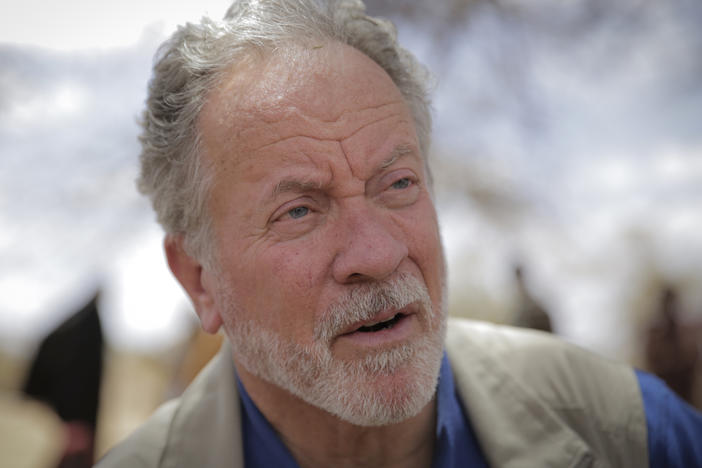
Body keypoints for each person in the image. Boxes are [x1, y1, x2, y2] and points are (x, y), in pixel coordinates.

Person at [97, 0, 702, 466]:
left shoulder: (633, 431)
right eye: (299, 212)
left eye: (398, 184)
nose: (379, 254)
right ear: (200, 280)